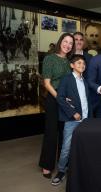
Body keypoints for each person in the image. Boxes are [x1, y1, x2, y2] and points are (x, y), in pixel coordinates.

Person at [39, 33, 75, 179]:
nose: (67, 45)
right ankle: (47, 165)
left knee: (64, 133)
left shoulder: (70, 61)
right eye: (65, 41)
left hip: (67, 101)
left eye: (70, 43)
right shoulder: (50, 58)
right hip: (54, 99)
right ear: (60, 42)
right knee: (51, 132)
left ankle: (62, 163)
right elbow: (47, 83)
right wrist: (60, 98)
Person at [51, 54, 91, 186]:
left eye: (83, 63)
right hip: (72, 120)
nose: (82, 65)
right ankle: (61, 171)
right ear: (72, 65)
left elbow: (86, 100)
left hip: (85, 119)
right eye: (78, 63)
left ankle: (80, 169)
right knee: (67, 147)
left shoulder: (84, 81)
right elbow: (60, 98)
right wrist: (73, 113)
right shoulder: (67, 79)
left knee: (83, 146)